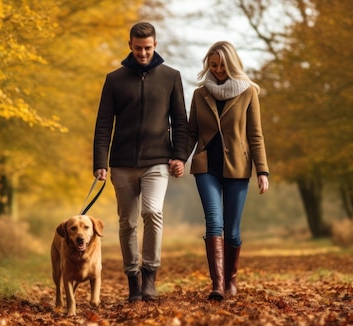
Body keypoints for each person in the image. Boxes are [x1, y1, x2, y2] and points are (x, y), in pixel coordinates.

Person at [93, 22, 189, 303]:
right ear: (130, 45)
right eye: (138, 48)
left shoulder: (171, 77)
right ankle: (133, 279)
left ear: (155, 45)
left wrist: (179, 156)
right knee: (127, 222)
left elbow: (180, 122)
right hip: (122, 163)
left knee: (152, 212)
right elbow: (103, 125)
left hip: (157, 161)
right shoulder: (115, 80)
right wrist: (100, 161)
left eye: (147, 48)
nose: (143, 53)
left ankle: (150, 276)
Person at [186, 41, 270, 301]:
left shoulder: (248, 92)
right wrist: (178, 158)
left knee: (232, 230)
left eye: (223, 65)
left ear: (232, 64)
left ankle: (231, 279)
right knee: (214, 221)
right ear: (207, 65)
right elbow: (191, 132)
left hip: (237, 167)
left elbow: (255, 135)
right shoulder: (200, 94)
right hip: (206, 166)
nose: (218, 70)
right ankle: (217, 285)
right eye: (213, 65)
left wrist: (262, 171)